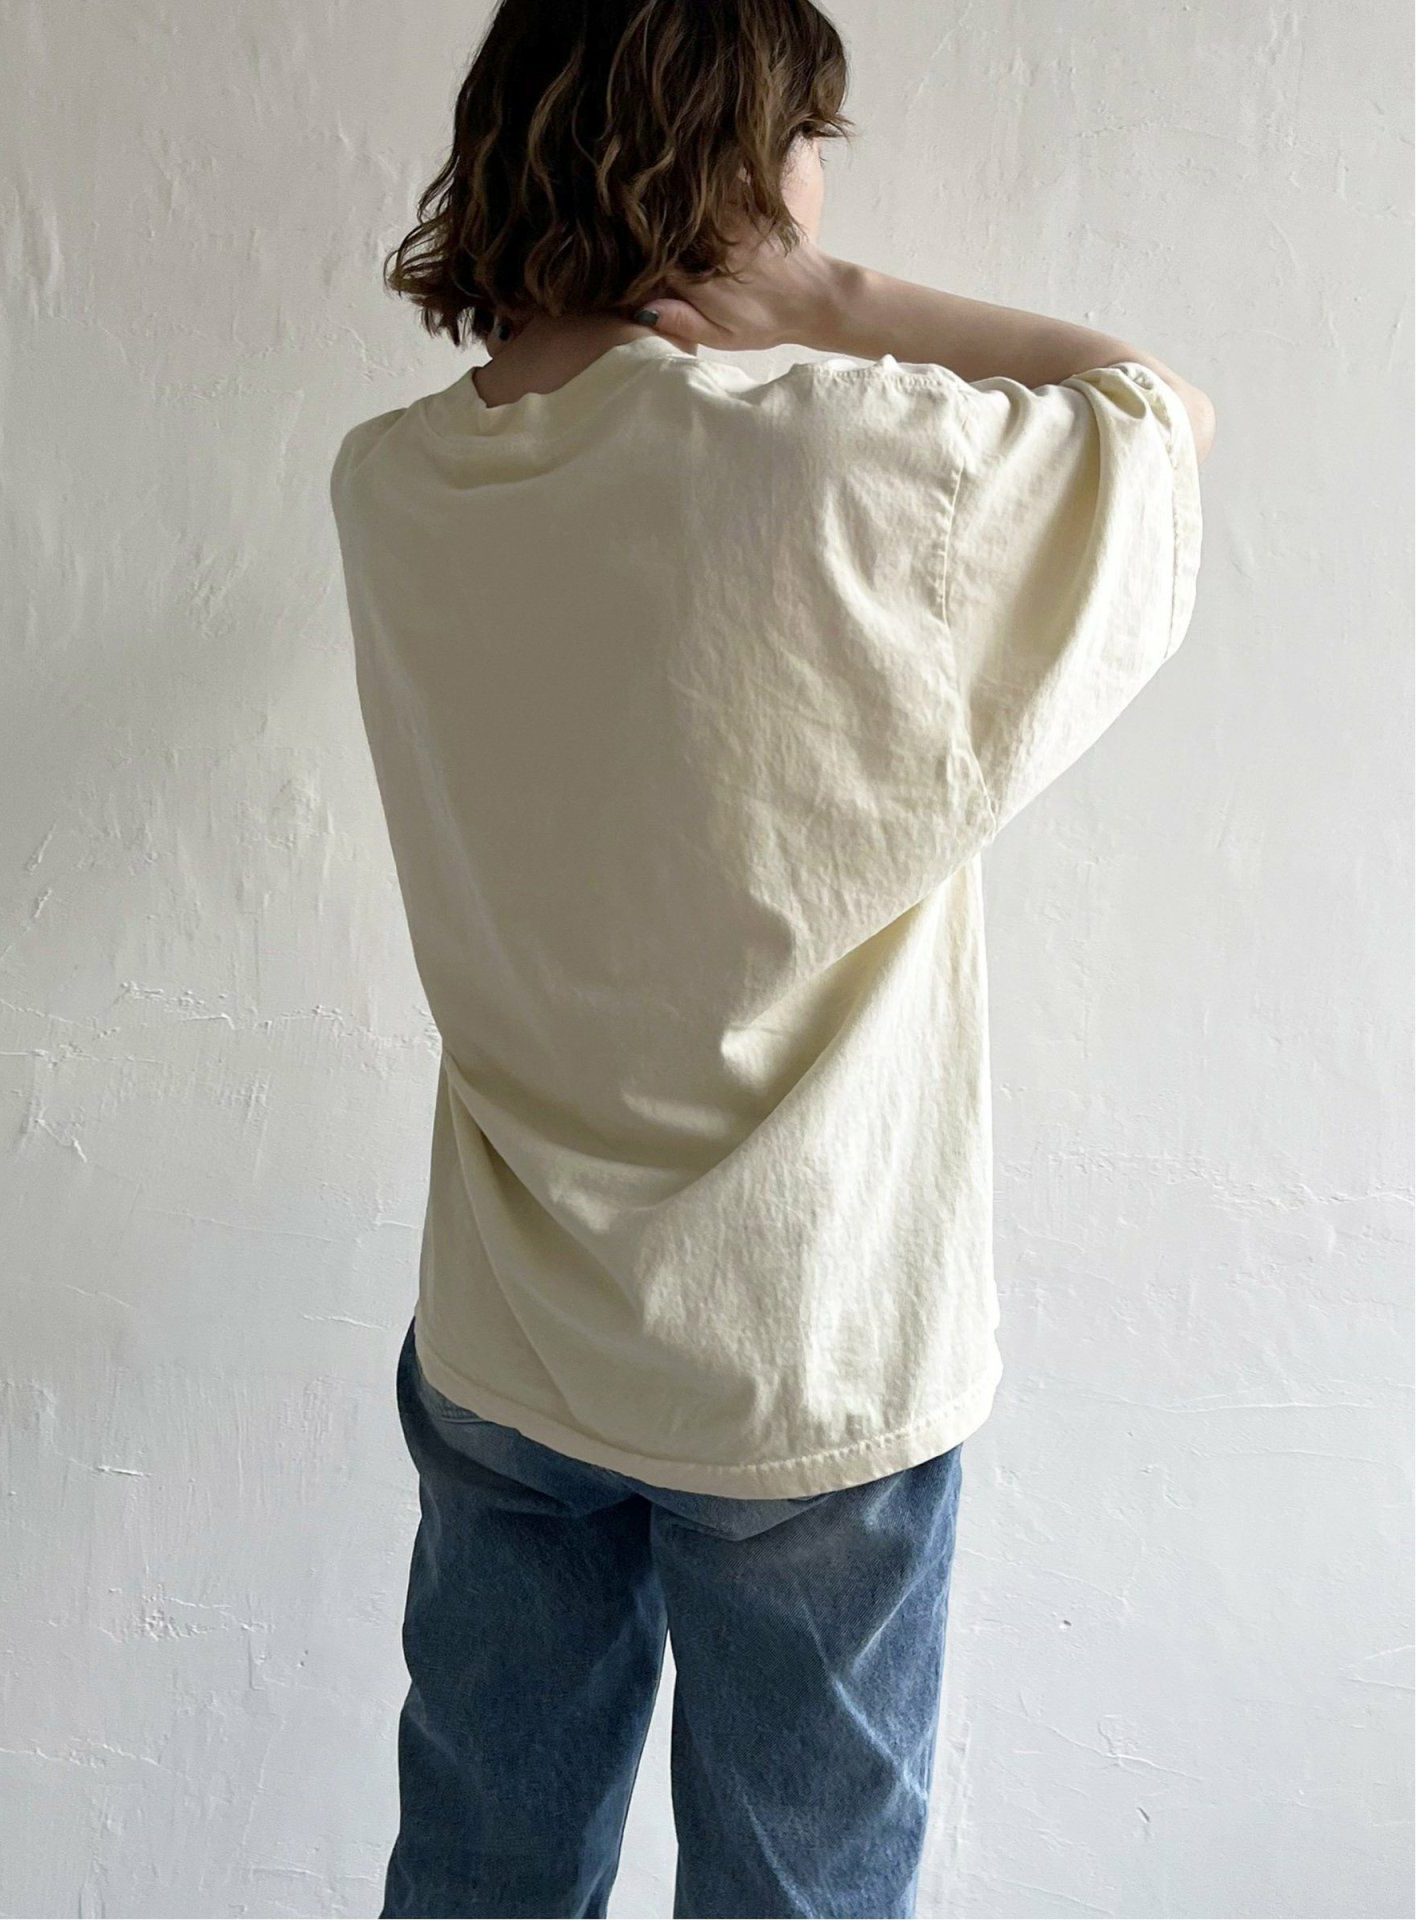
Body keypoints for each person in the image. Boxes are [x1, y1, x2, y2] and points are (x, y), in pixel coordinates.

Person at [329, 2, 1213, 1914]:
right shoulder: (837, 457)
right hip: (802, 1346)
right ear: (745, 164)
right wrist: (835, 298)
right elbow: (1159, 419)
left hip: (512, 1323)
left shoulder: (392, 484)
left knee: (480, 1867)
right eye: (816, 147)